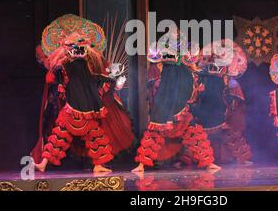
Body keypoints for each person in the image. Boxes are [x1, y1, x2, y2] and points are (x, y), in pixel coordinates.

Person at [31, 14, 134, 173]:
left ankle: (98, 164)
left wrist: (113, 79)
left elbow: (99, 78)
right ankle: (44, 163)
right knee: (58, 137)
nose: (78, 51)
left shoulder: (88, 67)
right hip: (72, 110)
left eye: (80, 48)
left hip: (86, 110)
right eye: (73, 48)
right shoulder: (64, 67)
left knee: (95, 138)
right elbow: (54, 76)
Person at [132, 31, 220, 173]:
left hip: (179, 89)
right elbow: (153, 57)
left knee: (191, 129)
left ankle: (208, 162)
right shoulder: (162, 51)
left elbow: (191, 62)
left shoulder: (185, 53)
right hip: (166, 91)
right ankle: (142, 164)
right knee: (156, 128)